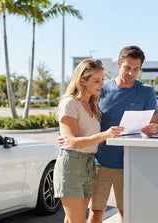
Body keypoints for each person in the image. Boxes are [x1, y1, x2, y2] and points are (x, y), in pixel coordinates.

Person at [88, 46, 158, 223]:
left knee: (127, 214)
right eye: (127, 67)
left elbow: (156, 124)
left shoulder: (146, 91)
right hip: (100, 162)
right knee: (96, 213)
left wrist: (154, 129)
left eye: (136, 69)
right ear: (119, 64)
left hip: (130, 163)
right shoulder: (101, 90)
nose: (131, 73)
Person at [54, 59, 124, 223]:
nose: (102, 84)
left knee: (72, 220)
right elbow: (73, 141)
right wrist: (105, 135)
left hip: (88, 165)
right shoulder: (70, 103)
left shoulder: (92, 105)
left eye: (102, 79)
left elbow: (87, 139)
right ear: (82, 80)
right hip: (71, 166)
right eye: (96, 80)